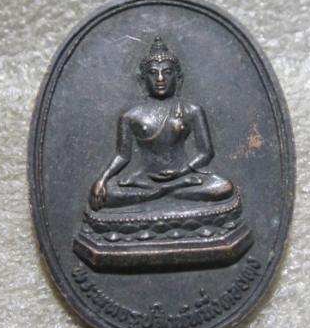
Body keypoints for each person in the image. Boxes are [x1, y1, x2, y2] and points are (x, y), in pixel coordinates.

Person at [89, 36, 234, 211]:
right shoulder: (131, 115)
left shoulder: (192, 110)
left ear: (178, 78)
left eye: (167, 72)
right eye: (152, 73)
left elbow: (206, 153)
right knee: (107, 193)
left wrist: (183, 171)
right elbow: (123, 156)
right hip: (143, 179)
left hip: (183, 175)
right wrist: (102, 179)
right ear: (142, 80)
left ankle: (161, 192)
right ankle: (167, 191)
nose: (160, 78)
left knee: (223, 187)